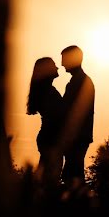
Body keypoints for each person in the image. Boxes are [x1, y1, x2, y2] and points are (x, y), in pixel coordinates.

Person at [60, 45, 95, 186]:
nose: (62, 64)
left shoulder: (79, 82)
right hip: (79, 136)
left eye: (64, 59)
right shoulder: (80, 81)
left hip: (77, 137)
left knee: (72, 175)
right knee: (72, 172)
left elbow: (68, 110)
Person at [26, 57, 64, 185]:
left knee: (48, 176)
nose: (57, 67)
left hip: (49, 136)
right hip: (50, 137)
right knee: (49, 178)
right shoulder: (48, 92)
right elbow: (56, 116)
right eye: (53, 65)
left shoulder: (46, 91)